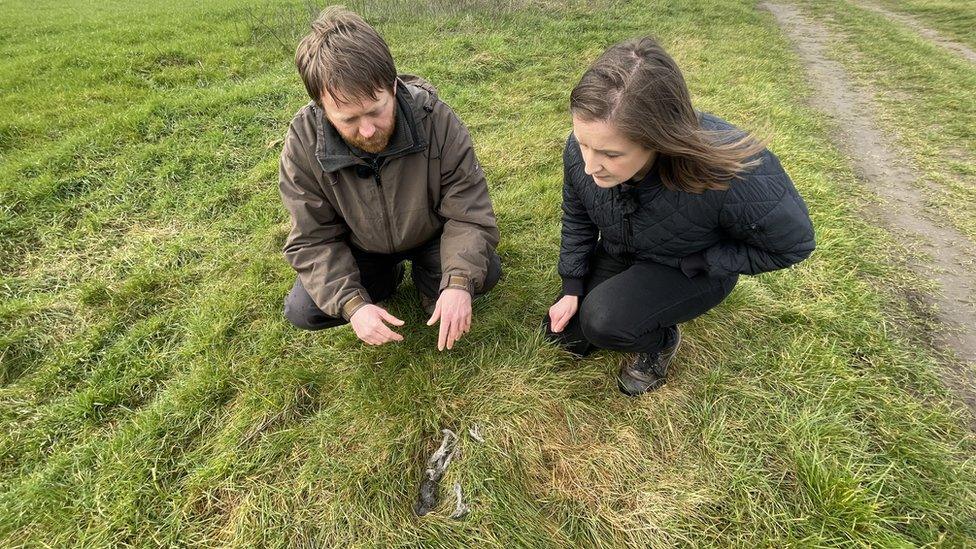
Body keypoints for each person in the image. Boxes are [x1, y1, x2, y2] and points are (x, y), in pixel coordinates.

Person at [544, 37, 815, 396]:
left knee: (604, 324)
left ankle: (660, 341)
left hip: (686, 265)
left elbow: (792, 246)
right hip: (623, 249)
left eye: (610, 153)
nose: (591, 165)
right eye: (583, 143)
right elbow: (577, 213)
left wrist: (707, 260)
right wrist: (572, 286)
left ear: (658, 139)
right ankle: (615, 304)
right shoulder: (584, 151)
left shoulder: (732, 173)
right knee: (563, 339)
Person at [279, 7, 501, 351]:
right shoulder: (303, 144)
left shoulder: (437, 121)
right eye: (349, 119)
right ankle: (380, 285)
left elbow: (468, 212)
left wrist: (457, 282)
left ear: (393, 87)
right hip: (361, 246)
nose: (367, 130)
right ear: (322, 108)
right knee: (304, 309)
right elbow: (312, 239)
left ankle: (432, 286)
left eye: (375, 110)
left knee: (482, 272)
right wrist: (354, 305)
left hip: (431, 235)